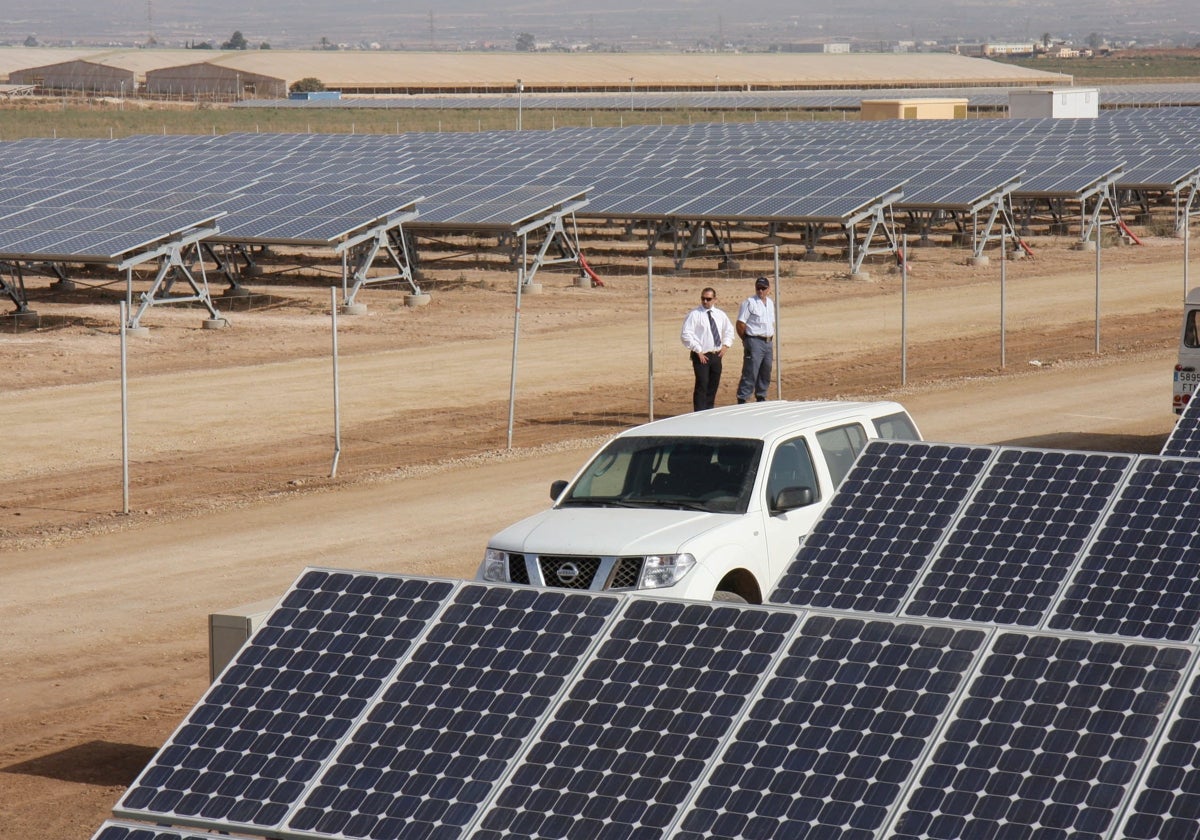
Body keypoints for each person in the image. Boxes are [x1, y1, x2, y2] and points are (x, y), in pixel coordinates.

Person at [680, 287, 734, 411]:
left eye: (708, 299)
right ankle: (699, 413)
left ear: (714, 299)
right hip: (701, 356)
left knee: (713, 385)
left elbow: (729, 330)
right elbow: (686, 334)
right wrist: (697, 350)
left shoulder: (720, 315)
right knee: (702, 385)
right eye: (703, 298)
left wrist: (725, 346)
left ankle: (709, 411)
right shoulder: (695, 314)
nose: (705, 301)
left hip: (716, 355)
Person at [736, 276, 776, 403]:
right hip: (754, 341)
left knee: (766, 370)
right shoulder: (749, 303)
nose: (760, 291)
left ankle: (761, 396)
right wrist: (746, 340)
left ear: (768, 289)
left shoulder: (770, 303)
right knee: (750, 371)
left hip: (768, 341)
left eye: (763, 288)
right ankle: (743, 398)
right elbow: (740, 323)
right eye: (758, 288)